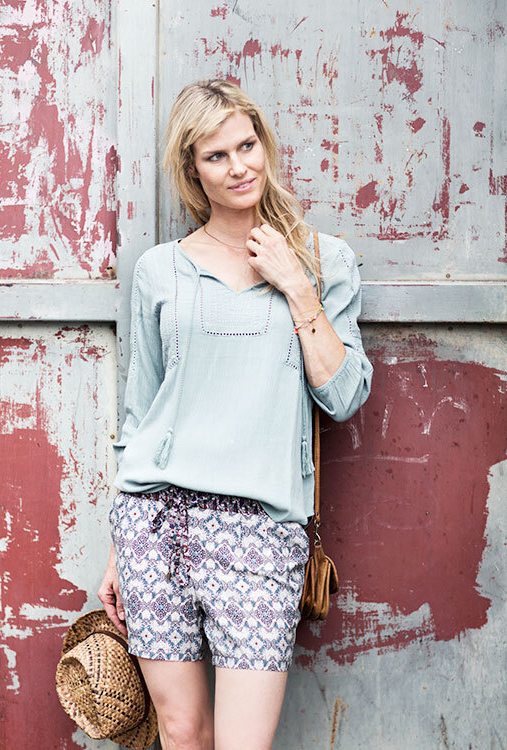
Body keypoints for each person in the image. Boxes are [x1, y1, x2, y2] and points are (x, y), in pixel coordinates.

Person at [98, 79, 373, 750]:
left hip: (260, 532)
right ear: (192, 169)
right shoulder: (161, 270)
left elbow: (343, 397)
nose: (239, 167)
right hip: (154, 524)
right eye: (216, 156)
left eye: (247, 146)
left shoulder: (322, 260)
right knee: (181, 731)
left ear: (264, 144)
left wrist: (296, 284)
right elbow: (141, 415)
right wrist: (117, 551)